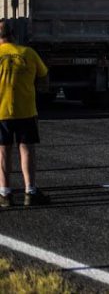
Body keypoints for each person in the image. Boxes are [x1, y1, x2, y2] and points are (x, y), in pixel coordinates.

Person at [0, 18, 49, 207]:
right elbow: (43, 75)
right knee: (26, 149)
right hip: (26, 110)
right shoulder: (28, 53)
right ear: (13, 34)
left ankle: (5, 193)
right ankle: (30, 191)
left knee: (3, 151)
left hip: (1, 111)